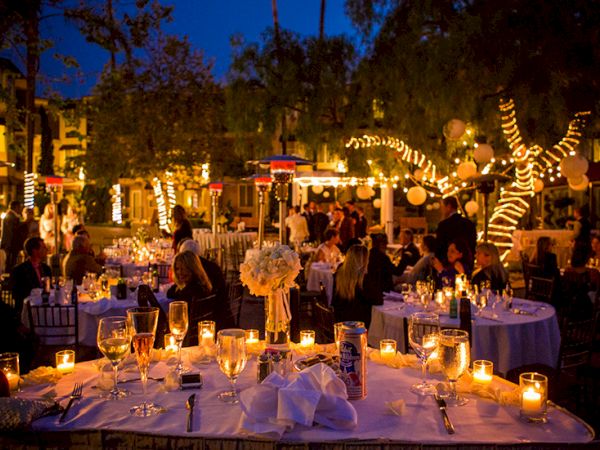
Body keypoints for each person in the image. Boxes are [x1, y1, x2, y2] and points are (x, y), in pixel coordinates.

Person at [177, 238, 229, 329]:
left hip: (209, 323)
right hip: (219, 316)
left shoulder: (191, 289)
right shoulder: (207, 275)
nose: (180, 272)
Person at [332, 244, 372, 325]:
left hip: (339, 320)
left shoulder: (340, 271)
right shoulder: (363, 279)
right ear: (363, 260)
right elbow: (376, 300)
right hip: (358, 325)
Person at [11, 237, 52, 315]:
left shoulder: (46, 269)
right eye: (43, 247)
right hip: (28, 311)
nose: (46, 249)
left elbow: (50, 289)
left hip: (46, 309)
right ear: (34, 251)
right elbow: (17, 295)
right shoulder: (20, 270)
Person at [364, 233, 404, 305]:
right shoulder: (383, 258)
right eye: (385, 245)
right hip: (384, 292)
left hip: (370, 291)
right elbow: (397, 272)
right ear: (382, 245)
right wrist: (404, 260)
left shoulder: (367, 255)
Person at [435, 197, 476, 263]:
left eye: (442, 207)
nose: (441, 210)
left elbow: (439, 247)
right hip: (466, 262)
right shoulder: (469, 223)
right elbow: (473, 244)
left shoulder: (444, 225)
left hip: (448, 264)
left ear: (448, 206)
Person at [1, 201, 22, 271]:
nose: (20, 209)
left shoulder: (11, 215)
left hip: (9, 243)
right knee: (10, 261)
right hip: (10, 243)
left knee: (11, 260)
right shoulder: (11, 216)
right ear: (16, 207)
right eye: (19, 207)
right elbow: (13, 230)